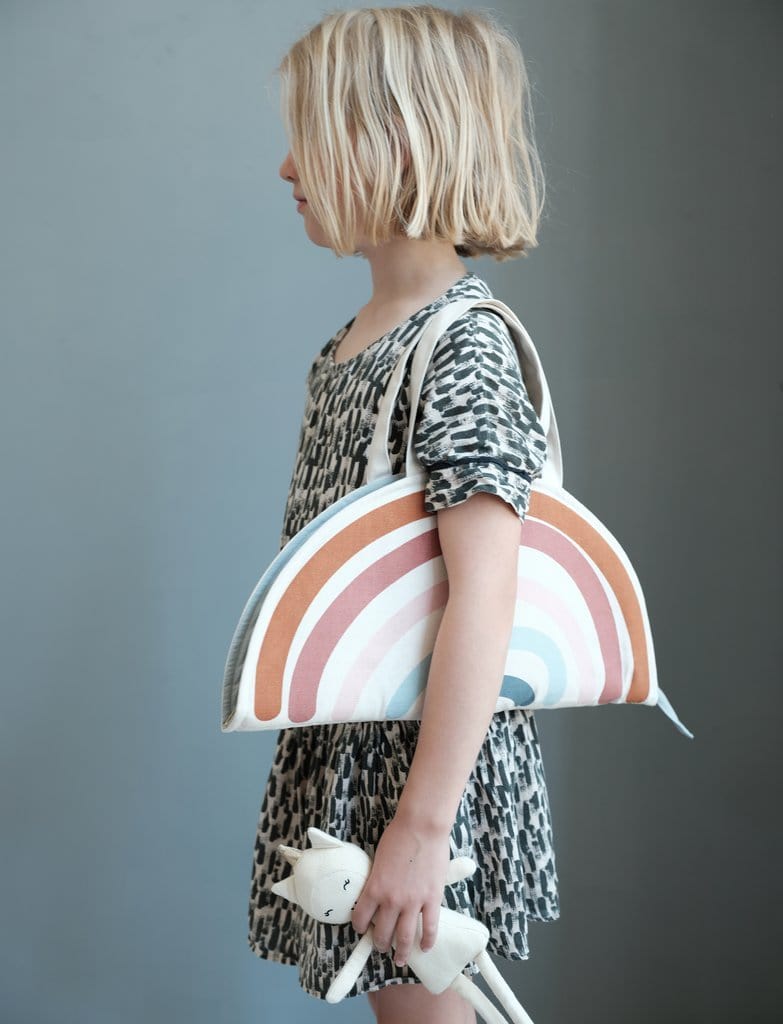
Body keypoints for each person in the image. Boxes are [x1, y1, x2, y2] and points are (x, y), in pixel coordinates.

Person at [248, 5, 560, 1022]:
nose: (288, 165)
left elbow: (488, 591)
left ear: (391, 139)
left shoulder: (458, 344)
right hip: (366, 747)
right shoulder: (350, 344)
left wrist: (422, 825)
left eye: (311, 134)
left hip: (424, 767)